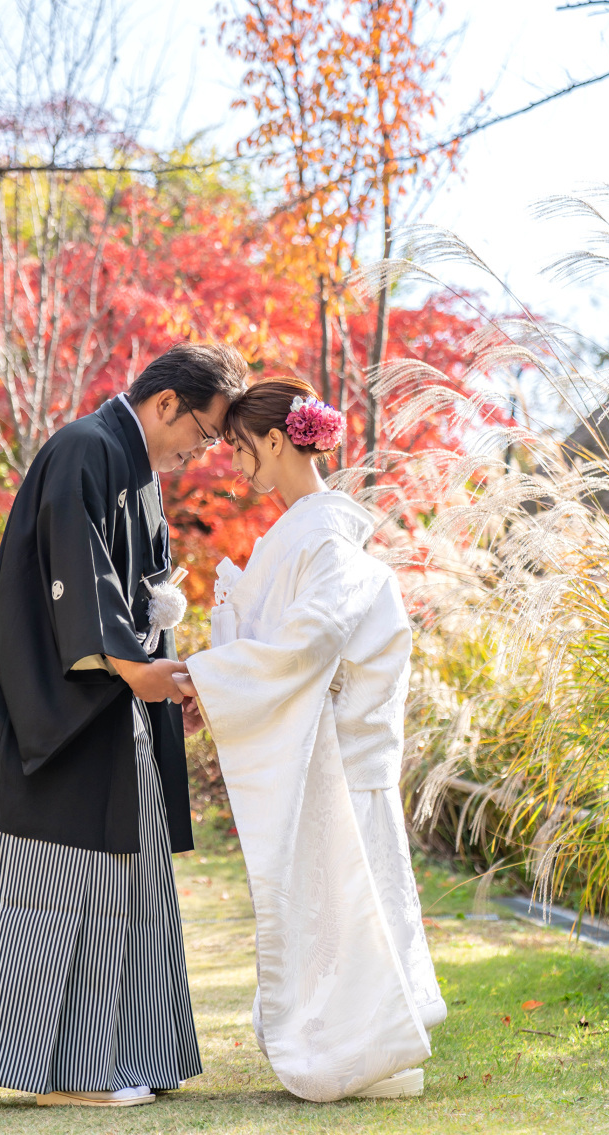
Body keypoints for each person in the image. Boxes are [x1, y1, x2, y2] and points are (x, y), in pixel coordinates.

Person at [0, 343, 248, 1109]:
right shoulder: (85, 449)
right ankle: (68, 1070)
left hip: (108, 704)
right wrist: (133, 670)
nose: (205, 450)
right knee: (56, 886)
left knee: (125, 877)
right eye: (207, 431)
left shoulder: (139, 474)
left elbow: (148, 598)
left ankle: (132, 1050)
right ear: (165, 405)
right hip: (55, 708)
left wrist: (169, 675)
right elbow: (75, 576)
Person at [175, 377, 447, 1104]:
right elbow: (288, 644)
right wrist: (218, 674)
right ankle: (372, 1041)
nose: (235, 465)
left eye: (238, 447)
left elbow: (307, 642)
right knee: (342, 910)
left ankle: (369, 1047)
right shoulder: (305, 533)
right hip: (326, 744)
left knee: (350, 908)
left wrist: (208, 676)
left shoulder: (324, 536)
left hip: (339, 753)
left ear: (274, 439)